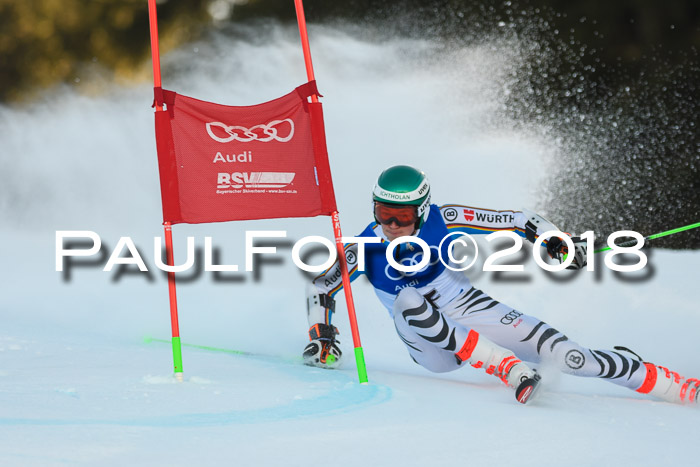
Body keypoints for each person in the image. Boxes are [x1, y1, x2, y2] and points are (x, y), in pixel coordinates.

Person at [302, 165, 699, 405]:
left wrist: (555, 241)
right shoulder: (364, 246)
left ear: (422, 212)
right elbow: (322, 287)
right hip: (430, 347)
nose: (390, 225)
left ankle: (678, 387)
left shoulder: (447, 216)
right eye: (383, 213)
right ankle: (508, 370)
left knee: (573, 359)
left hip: (468, 306)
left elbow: (517, 219)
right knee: (408, 297)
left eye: (402, 217)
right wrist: (322, 333)